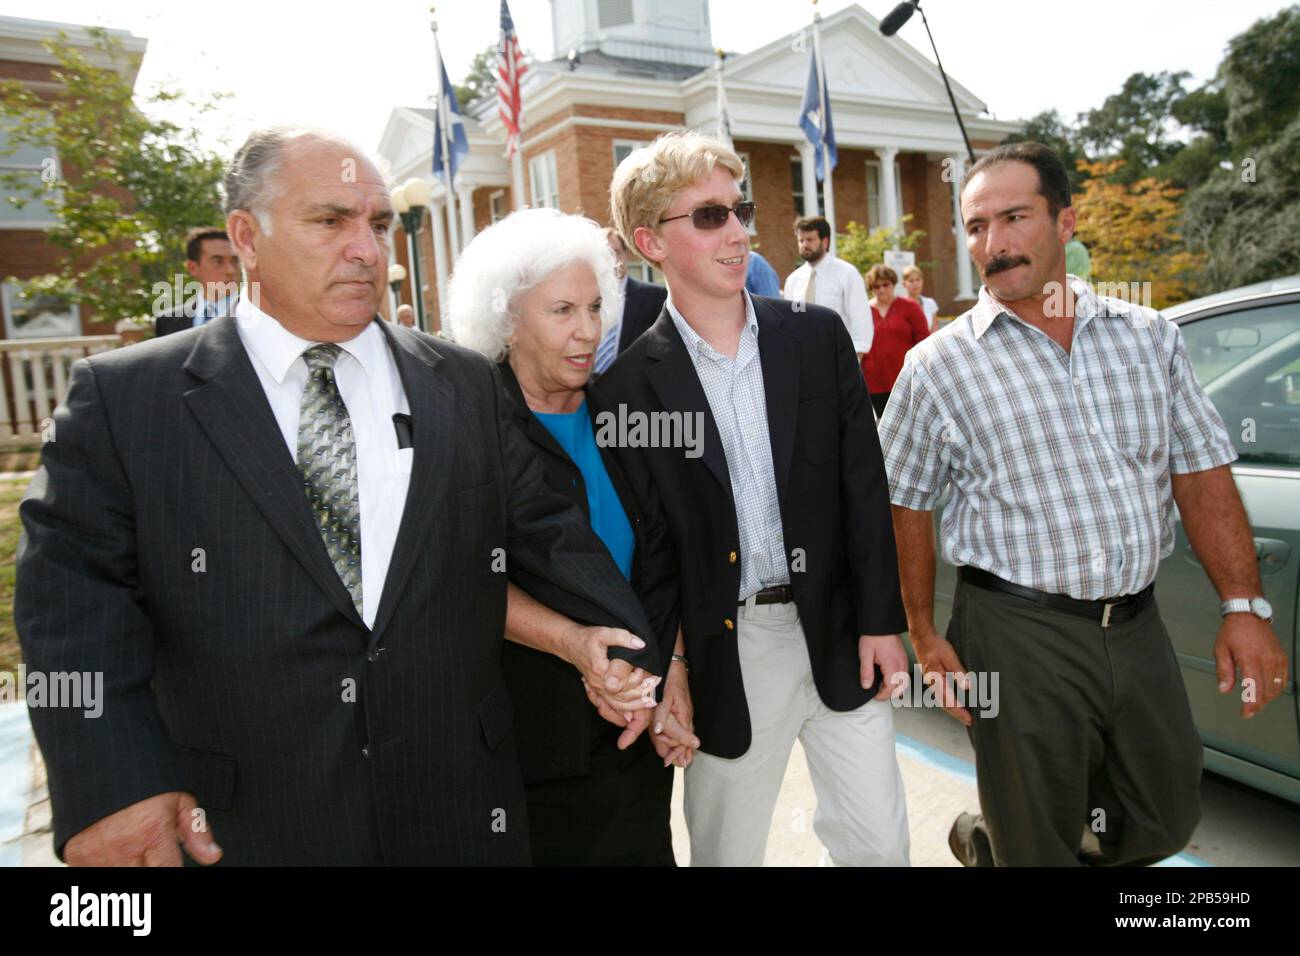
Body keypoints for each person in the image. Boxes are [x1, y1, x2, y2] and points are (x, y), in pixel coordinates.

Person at [15, 127, 662, 866]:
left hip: (458, 813)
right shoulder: (129, 400)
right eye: (330, 221)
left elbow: (548, 532)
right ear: (245, 236)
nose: (366, 248)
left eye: (379, 224)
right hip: (250, 826)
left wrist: (624, 646)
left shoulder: (461, 384)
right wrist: (110, 788)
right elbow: (71, 604)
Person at [880, 141, 1290, 867]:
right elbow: (903, 502)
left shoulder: (1148, 337)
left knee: (1165, 811)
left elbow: (1200, 472)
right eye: (976, 227)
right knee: (1038, 837)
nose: (994, 244)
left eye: (1014, 218)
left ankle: (991, 840)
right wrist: (921, 632)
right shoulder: (938, 366)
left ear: (1066, 221)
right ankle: (1015, 841)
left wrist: (1242, 604)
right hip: (1013, 630)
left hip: (1135, 621)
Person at [597, 131, 911, 867]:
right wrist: (671, 667)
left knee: (881, 850)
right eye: (708, 217)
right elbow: (653, 549)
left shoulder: (816, 337)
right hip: (726, 652)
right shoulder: (626, 390)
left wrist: (880, 619)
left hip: (838, 633)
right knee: (727, 855)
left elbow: (863, 488)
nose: (738, 232)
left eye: (739, 210)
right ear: (651, 241)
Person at [447, 208, 698, 865]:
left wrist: (671, 670)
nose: (588, 331)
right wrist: (571, 643)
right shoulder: (466, 427)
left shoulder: (626, 416)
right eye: (562, 310)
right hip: (530, 743)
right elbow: (458, 579)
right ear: (506, 319)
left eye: (595, 306)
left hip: (631, 733)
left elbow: (666, 560)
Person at [781, 215, 872, 360]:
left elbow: (861, 321)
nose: (804, 244)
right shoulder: (793, 280)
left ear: (825, 241)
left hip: (839, 358)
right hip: (805, 361)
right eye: (801, 240)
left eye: (810, 239)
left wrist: (854, 360)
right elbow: (791, 324)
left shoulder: (847, 274)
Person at [592, 227, 667, 372]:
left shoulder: (655, 296)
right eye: (604, 255)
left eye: (615, 253)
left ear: (626, 254)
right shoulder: (584, 300)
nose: (611, 261)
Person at [862, 264, 929, 417]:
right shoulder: (863, 310)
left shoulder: (910, 307)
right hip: (874, 382)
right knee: (884, 428)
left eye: (885, 284)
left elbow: (924, 341)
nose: (881, 289)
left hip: (906, 380)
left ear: (893, 284)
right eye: (876, 286)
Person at [155, 227, 241, 336]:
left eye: (235, 261)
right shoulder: (167, 322)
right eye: (218, 261)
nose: (231, 270)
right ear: (192, 268)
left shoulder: (259, 316)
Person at [901, 265, 940, 332]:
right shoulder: (900, 305)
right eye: (911, 281)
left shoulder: (930, 303)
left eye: (918, 280)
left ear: (922, 281)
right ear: (904, 284)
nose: (915, 283)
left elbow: (934, 330)